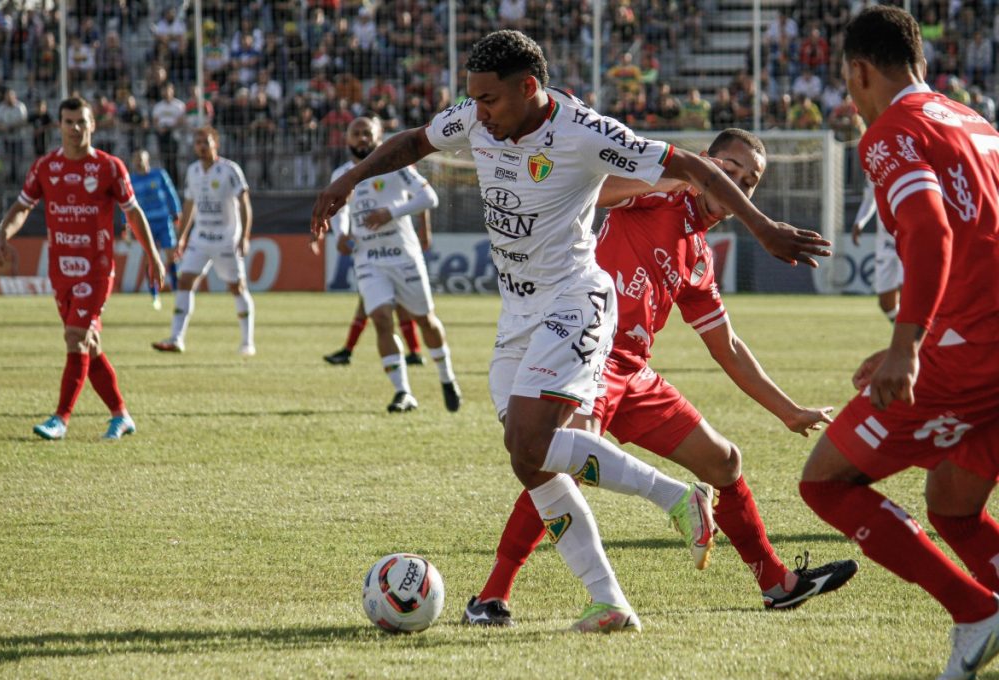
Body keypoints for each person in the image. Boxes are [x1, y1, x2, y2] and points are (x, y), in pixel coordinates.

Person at [312, 30, 830, 632]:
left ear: (529, 89)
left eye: (489, 100)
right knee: (530, 463)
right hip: (518, 314)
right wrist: (348, 181)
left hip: (577, 302)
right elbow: (411, 142)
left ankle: (674, 499)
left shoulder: (585, 132)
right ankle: (607, 601)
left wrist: (763, 229)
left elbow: (687, 164)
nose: (478, 113)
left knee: (532, 445)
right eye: (473, 99)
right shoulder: (475, 120)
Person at [462, 129, 857, 627]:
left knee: (725, 461)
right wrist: (660, 179)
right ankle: (494, 594)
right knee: (553, 461)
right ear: (707, 164)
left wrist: (788, 410)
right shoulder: (661, 193)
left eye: (749, 181)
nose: (737, 184)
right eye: (729, 169)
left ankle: (776, 584)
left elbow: (728, 347)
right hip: (590, 352)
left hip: (634, 372)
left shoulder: (699, 258)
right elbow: (592, 191)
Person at [798, 8, 999, 680]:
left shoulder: (891, 132)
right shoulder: (973, 121)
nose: (851, 101)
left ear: (858, 71)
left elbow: (932, 233)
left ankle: (975, 611)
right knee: (952, 504)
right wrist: (911, 337)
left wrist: (909, 346)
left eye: (848, 86)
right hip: (981, 339)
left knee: (825, 480)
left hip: (973, 352)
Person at [0, 96, 165, 440]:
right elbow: (23, 206)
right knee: (90, 344)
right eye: (68, 122)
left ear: (93, 125)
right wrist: (2, 235)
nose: (75, 128)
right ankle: (121, 414)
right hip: (61, 271)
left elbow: (133, 212)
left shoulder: (109, 167)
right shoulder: (45, 167)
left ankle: (60, 419)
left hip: (97, 270)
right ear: (59, 126)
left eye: (81, 122)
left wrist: (154, 255)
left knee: (75, 337)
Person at [327, 117, 460, 413]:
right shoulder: (342, 173)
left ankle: (447, 377)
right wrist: (341, 233)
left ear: (378, 137)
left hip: (404, 256)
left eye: (367, 133)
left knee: (426, 321)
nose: (361, 138)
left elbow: (429, 197)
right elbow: (338, 211)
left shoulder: (396, 167)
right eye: (356, 133)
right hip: (368, 259)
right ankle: (404, 392)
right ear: (347, 140)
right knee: (382, 320)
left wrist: (392, 211)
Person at [152, 126, 255, 357]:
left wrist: (245, 237)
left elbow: (244, 203)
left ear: (215, 143)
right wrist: (182, 239)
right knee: (185, 280)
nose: (201, 146)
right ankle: (177, 338)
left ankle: (247, 342)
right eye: (197, 142)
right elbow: (190, 205)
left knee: (236, 287)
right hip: (200, 238)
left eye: (205, 142)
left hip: (226, 239)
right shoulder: (193, 171)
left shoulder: (230, 170)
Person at [123, 149, 182, 310]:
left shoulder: (159, 175)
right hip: (145, 225)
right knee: (151, 258)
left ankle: (177, 291)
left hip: (164, 221)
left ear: (147, 160)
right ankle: (154, 295)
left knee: (172, 257)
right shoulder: (131, 180)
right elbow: (126, 204)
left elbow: (171, 194)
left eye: (141, 159)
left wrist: (176, 213)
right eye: (136, 160)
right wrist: (125, 225)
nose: (138, 162)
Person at [323, 297, 425, 367]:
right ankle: (414, 353)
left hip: (379, 269)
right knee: (402, 310)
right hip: (395, 269)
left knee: (364, 308)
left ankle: (347, 352)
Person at [852, 177, 902, 321]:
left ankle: (914, 340)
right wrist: (859, 221)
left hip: (908, 238)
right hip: (885, 243)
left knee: (909, 296)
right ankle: (905, 335)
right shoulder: (873, 161)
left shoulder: (911, 157)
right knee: (886, 303)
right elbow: (870, 197)